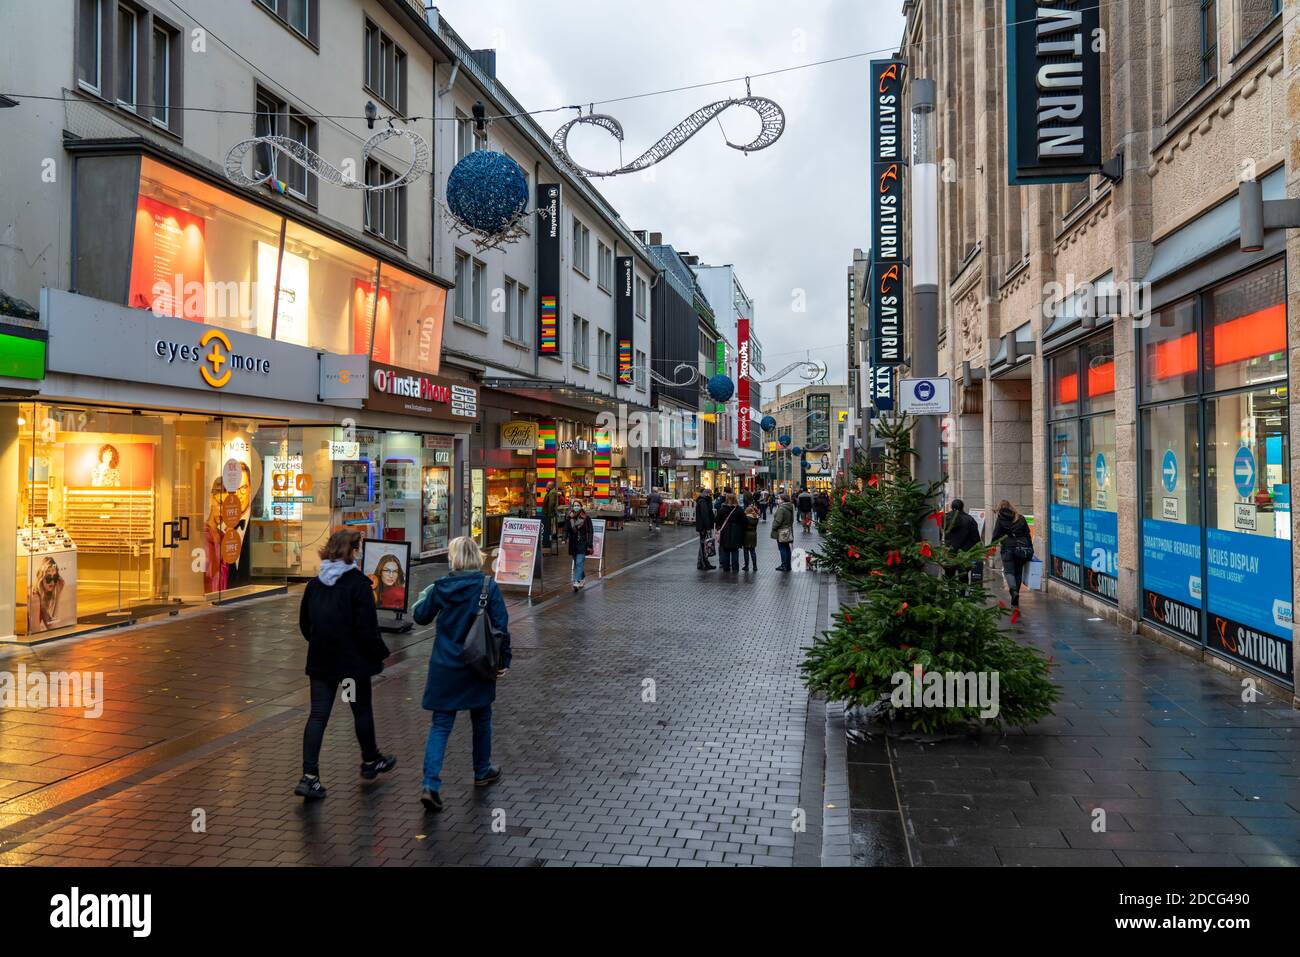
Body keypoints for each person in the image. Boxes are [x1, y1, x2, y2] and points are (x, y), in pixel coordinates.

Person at [411, 536, 511, 813]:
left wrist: (426, 595)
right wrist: (504, 661)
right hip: (478, 664)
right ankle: (481, 770)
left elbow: (420, 617)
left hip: (445, 665)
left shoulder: (442, 587)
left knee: (440, 724)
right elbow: (501, 627)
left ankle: (430, 784)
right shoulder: (488, 587)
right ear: (477, 557)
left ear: (453, 559)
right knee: (481, 717)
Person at [295, 529, 395, 801]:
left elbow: (306, 625)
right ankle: (370, 759)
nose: (360, 552)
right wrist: (379, 654)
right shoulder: (358, 585)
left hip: (321, 663)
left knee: (318, 716)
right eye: (358, 548)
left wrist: (319, 642)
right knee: (360, 710)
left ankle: (310, 776)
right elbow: (367, 629)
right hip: (350, 666)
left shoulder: (314, 585)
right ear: (351, 552)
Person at [991, 499, 1033, 608]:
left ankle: (1014, 591)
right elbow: (1027, 534)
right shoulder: (1020, 518)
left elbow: (996, 535)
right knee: (1018, 572)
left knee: (1009, 572)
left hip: (1007, 548)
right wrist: (1030, 548)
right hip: (1021, 548)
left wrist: (992, 546)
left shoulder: (1000, 520)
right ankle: (1016, 593)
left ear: (1000, 508)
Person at [943, 499, 983, 581]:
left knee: (949, 575)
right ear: (962, 507)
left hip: (949, 551)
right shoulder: (969, 519)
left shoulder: (945, 518)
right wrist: (979, 550)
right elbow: (975, 537)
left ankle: (951, 591)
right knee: (963, 575)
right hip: (965, 552)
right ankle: (962, 593)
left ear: (951, 507)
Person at [565, 503, 594, 591]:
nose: (576, 507)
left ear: (581, 507)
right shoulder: (569, 517)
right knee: (576, 561)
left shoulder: (586, 517)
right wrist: (564, 538)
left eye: (578, 505)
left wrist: (589, 543)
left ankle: (577, 581)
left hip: (582, 542)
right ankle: (582, 577)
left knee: (579, 562)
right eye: (575, 505)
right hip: (573, 543)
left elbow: (590, 531)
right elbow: (566, 529)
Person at [714, 492, 745, 572]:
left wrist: (719, 527)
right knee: (735, 551)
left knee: (726, 550)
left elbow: (717, 520)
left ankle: (726, 567)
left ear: (726, 499)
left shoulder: (722, 509)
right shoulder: (739, 509)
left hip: (725, 531)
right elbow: (744, 521)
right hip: (736, 532)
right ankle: (735, 568)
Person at [770, 493, 795, 571]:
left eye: (779, 498)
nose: (777, 500)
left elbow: (778, 521)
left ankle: (784, 565)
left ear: (783, 500)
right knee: (787, 547)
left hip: (781, 531)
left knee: (782, 548)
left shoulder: (782, 508)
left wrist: (773, 527)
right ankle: (788, 565)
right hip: (788, 529)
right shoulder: (790, 507)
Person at [695, 487, 716, 570]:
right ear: (707, 494)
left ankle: (701, 563)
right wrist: (707, 527)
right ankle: (703, 563)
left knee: (703, 545)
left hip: (703, 526)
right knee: (703, 545)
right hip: (703, 527)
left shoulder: (703, 501)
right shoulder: (703, 502)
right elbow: (705, 516)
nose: (711, 496)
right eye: (710, 494)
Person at [742, 503, 760, 572]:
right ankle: (755, 566)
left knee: (746, 551)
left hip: (746, 535)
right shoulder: (755, 518)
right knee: (753, 551)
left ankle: (746, 566)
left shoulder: (746, 518)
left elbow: (743, 526)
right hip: (753, 534)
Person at [541, 481, 559, 549]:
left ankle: (548, 544)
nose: (546, 487)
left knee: (549, 530)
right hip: (548, 514)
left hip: (549, 515)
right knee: (549, 530)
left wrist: (549, 515)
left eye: (547, 486)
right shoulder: (550, 492)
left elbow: (551, 504)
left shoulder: (552, 493)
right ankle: (548, 544)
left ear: (551, 486)